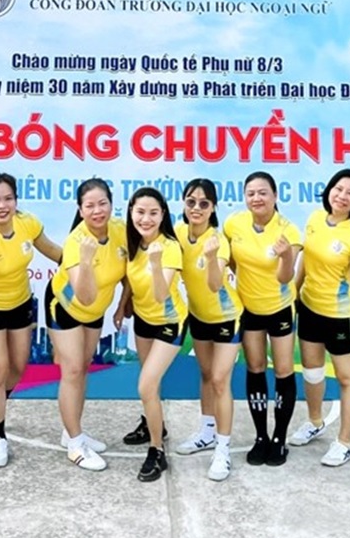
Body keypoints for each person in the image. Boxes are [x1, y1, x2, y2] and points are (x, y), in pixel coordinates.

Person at [291, 168, 350, 467]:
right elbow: (306, 257)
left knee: (347, 378)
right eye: (338, 189)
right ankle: (315, 421)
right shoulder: (315, 219)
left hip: (341, 316)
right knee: (312, 372)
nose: (342, 196)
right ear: (329, 190)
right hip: (309, 308)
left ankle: (344, 442)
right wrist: (293, 291)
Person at [0, 174, 62, 468]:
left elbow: (52, 250)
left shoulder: (27, 223)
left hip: (20, 304)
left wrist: (83, 262)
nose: (2, 205)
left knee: (18, 367)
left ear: (16, 201)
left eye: (8, 198)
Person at [48, 178, 127, 471]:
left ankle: (72, 431)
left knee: (84, 366)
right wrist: (84, 259)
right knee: (72, 370)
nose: (97, 211)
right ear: (80, 210)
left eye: (102, 203)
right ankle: (75, 445)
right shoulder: (75, 243)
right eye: (90, 206)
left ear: (111, 203)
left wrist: (122, 305)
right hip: (67, 307)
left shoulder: (120, 230)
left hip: (96, 310)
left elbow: (128, 272)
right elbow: (83, 295)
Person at [224, 172, 302, 467]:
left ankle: (280, 439)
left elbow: (286, 278)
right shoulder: (235, 223)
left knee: (282, 370)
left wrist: (284, 257)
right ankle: (261, 437)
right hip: (249, 309)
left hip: (280, 308)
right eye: (251, 193)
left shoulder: (288, 231)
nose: (257, 198)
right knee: (255, 368)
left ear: (274, 196)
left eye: (263, 193)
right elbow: (231, 259)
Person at [174, 178, 243, 481]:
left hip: (228, 317)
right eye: (191, 202)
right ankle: (206, 432)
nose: (197, 208)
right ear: (184, 204)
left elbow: (215, 285)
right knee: (205, 375)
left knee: (219, 379)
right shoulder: (177, 233)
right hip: (198, 317)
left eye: (204, 203)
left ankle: (223, 450)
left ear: (213, 207)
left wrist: (213, 257)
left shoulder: (218, 240)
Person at [122, 187, 188, 482]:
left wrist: (156, 262)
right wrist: (122, 306)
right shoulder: (132, 243)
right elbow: (129, 280)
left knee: (146, 386)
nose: (146, 218)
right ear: (131, 213)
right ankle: (153, 423)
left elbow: (162, 295)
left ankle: (156, 451)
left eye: (153, 213)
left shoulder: (169, 247)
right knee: (151, 385)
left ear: (163, 215)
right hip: (142, 321)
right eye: (140, 212)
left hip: (169, 323)